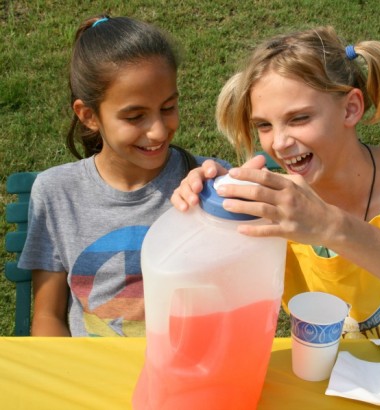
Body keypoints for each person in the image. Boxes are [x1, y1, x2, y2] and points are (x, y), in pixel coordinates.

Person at [171, 25, 380, 339]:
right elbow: (217, 294)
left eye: (299, 118)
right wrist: (207, 207)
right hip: (328, 379)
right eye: (264, 125)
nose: (279, 143)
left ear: (351, 109)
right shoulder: (277, 205)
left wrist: (326, 225)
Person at [18, 15, 229, 337]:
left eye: (168, 107)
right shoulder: (56, 192)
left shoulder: (204, 182)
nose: (158, 130)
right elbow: (48, 316)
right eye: (135, 116)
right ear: (88, 115)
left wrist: (230, 201)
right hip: (93, 375)